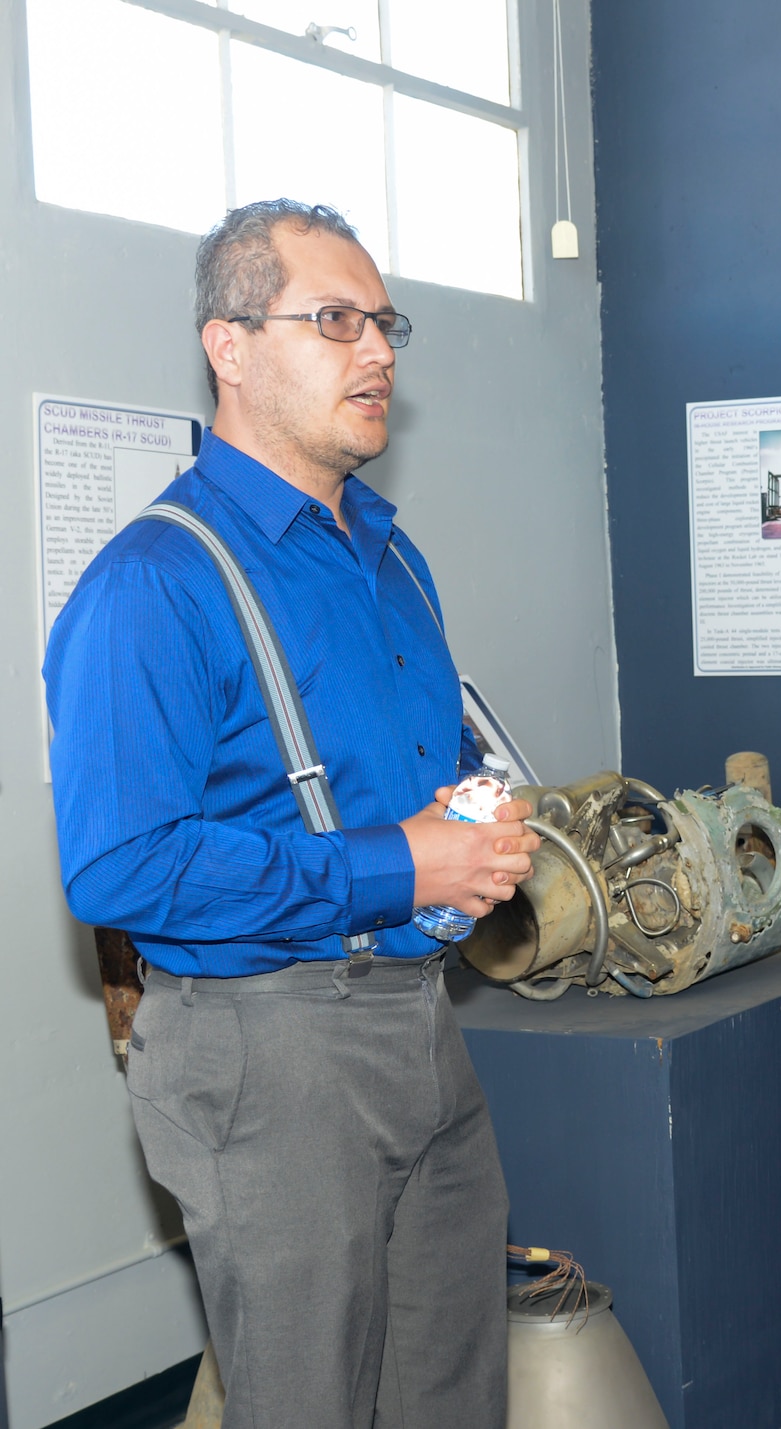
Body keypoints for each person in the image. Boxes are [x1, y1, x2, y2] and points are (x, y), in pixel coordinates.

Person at [43, 201, 536, 1426]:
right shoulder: (153, 584)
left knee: (452, 1392)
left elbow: (428, 755)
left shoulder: (385, 555)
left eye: (383, 323)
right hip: (267, 1055)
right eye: (334, 321)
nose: (376, 352)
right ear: (230, 346)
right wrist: (401, 865)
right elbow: (121, 868)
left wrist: (472, 823)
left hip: (420, 1024)